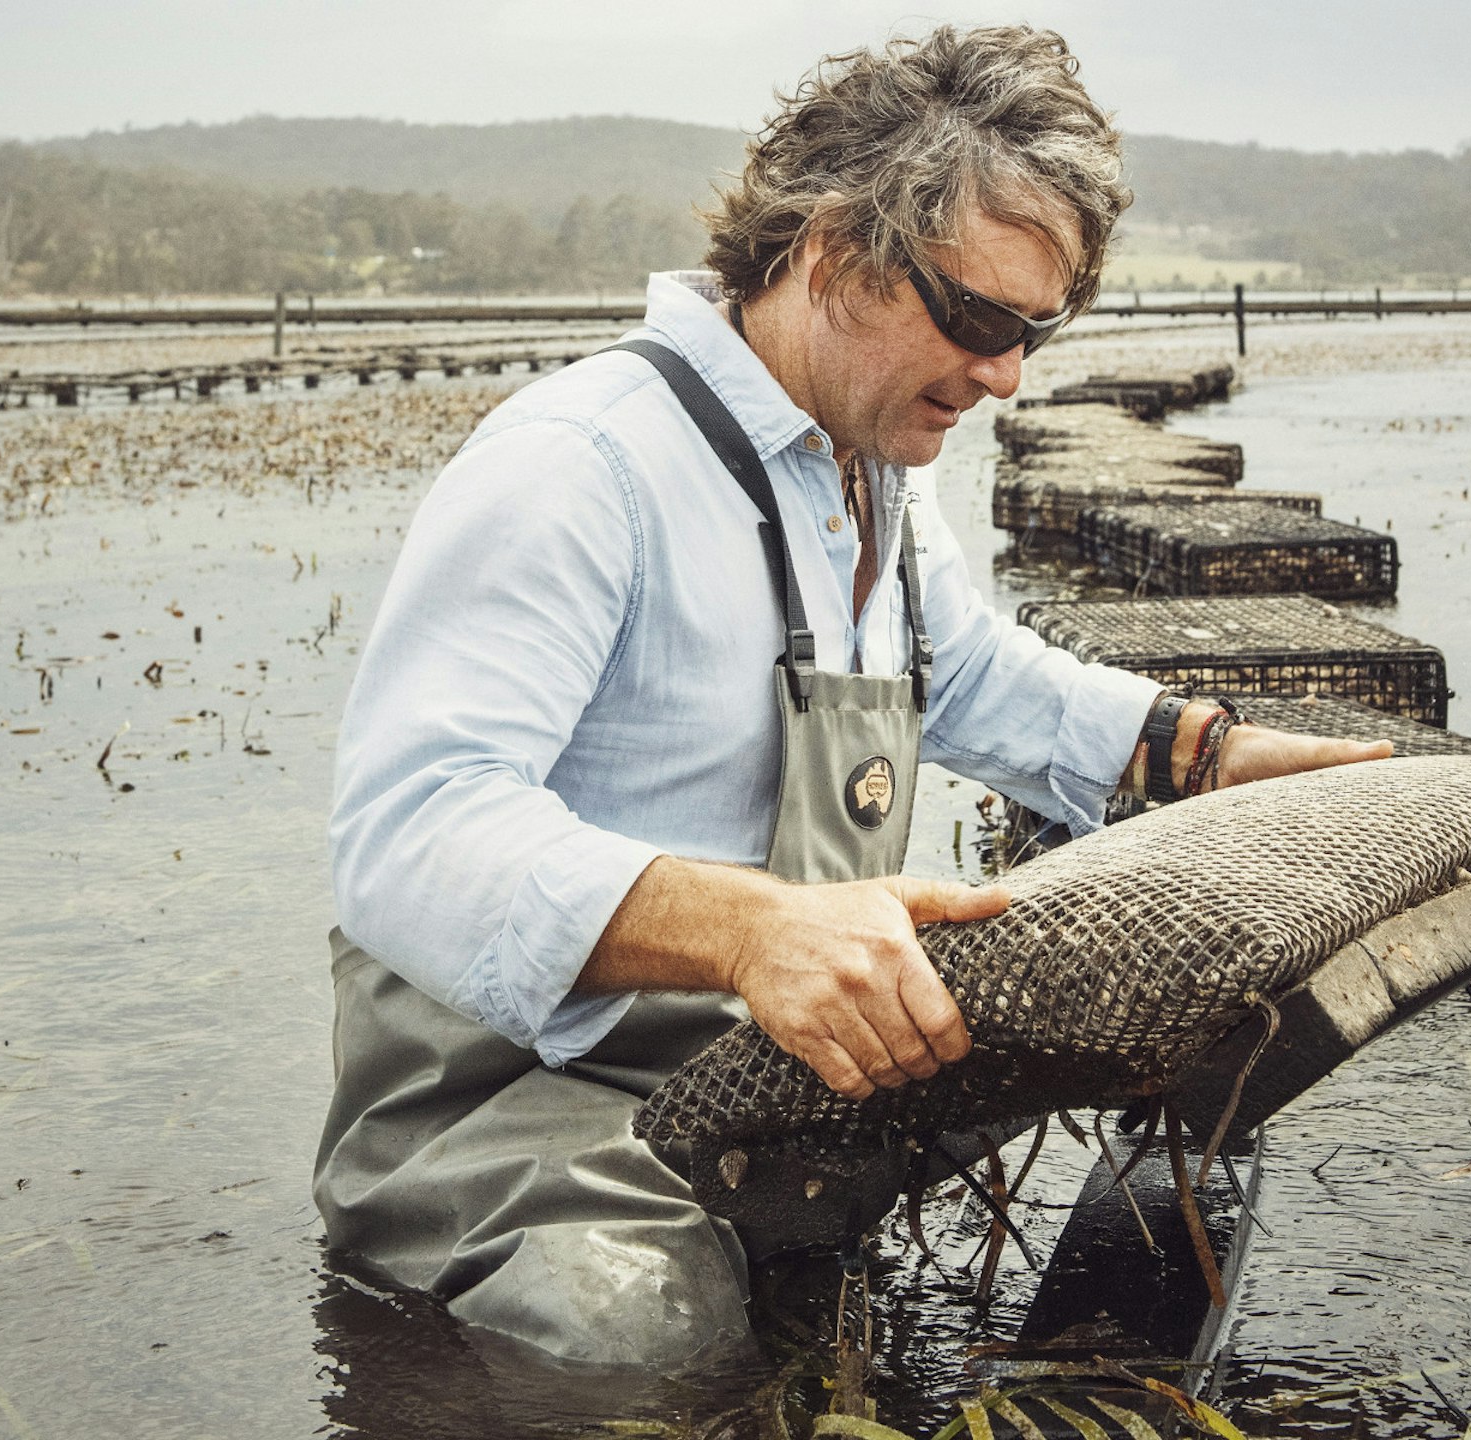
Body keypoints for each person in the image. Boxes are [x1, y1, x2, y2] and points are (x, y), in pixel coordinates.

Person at [313, 24, 1390, 1367]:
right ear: (834, 257)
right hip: (514, 1097)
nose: (1007, 375)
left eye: (1035, 331)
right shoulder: (578, 467)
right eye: (980, 319)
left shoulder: (867, 467)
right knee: (639, 1339)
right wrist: (750, 931)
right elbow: (405, 837)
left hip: (761, 1054)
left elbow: (972, 674)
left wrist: (1202, 752)